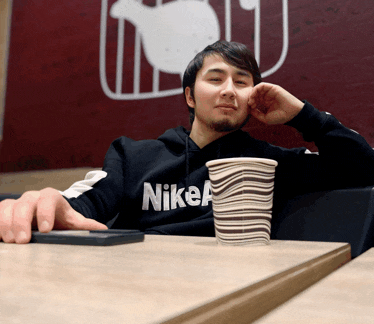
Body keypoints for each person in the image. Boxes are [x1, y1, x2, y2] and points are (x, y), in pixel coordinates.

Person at [1, 40, 374, 244]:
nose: (230, 90)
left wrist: (302, 115)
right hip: (142, 287)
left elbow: (365, 167)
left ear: (254, 97)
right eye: (215, 79)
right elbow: (83, 203)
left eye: (242, 82)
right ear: (190, 97)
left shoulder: (270, 162)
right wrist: (49, 204)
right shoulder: (134, 156)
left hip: (241, 292)